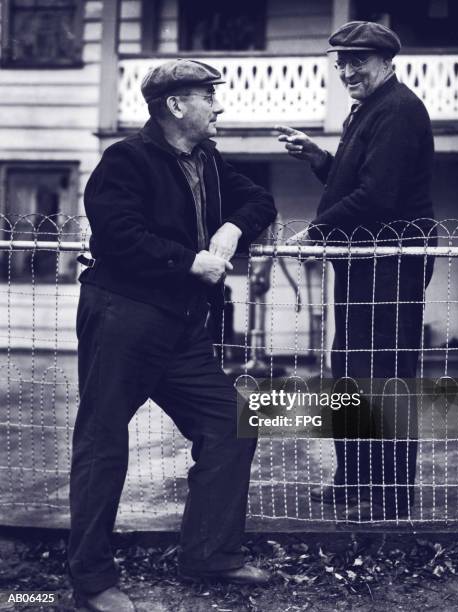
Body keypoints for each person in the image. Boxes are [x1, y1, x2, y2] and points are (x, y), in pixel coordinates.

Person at [68, 59, 276, 610]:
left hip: (180, 329)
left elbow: (260, 201)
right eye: (210, 96)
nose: (220, 105)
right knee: (102, 443)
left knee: (231, 425)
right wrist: (191, 263)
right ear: (176, 106)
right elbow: (117, 237)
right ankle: (91, 580)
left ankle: (209, 554)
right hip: (123, 317)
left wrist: (232, 227)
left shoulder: (207, 160)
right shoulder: (125, 161)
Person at [276, 21, 436, 521]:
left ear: (387, 63)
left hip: (392, 263)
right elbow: (356, 183)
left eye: (358, 62)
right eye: (341, 62)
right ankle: (353, 479)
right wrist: (320, 159)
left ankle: (390, 496)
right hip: (362, 261)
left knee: (386, 377)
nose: (347, 71)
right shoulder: (367, 110)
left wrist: (316, 233)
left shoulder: (399, 111)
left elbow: (379, 196)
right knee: (349, 369)